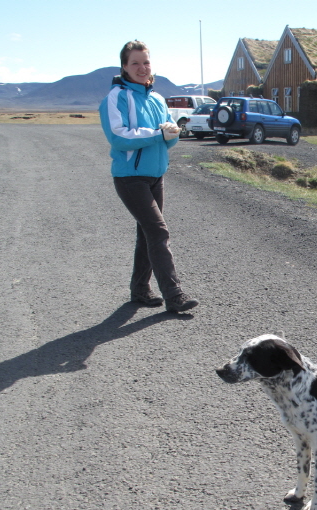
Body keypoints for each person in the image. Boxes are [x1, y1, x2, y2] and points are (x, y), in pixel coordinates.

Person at [99, 40, 199, 313]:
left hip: (156, 176)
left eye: (146, 62)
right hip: (130, 178)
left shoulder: (156, 99)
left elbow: (166, 140)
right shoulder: (117, 97)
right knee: (158, 230)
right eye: (135, 63)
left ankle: (140, 290)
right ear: (124, 67)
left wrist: (171, 135)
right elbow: (118, 137)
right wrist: (157, 134)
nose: (142, 68)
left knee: (147, 234)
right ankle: (174, 296)